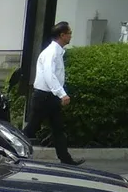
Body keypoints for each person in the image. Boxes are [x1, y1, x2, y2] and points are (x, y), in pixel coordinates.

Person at [22, 21, 84, 166]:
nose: (70, 37)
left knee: (58, 128)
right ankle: (11, 150)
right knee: (32, 128)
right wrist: (62, 93)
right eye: (69, 34)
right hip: (44, 97)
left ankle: (65, 159)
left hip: (50, 97)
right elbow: (50, 75)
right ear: (62, 35)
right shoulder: (51, 53)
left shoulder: (57, 52)